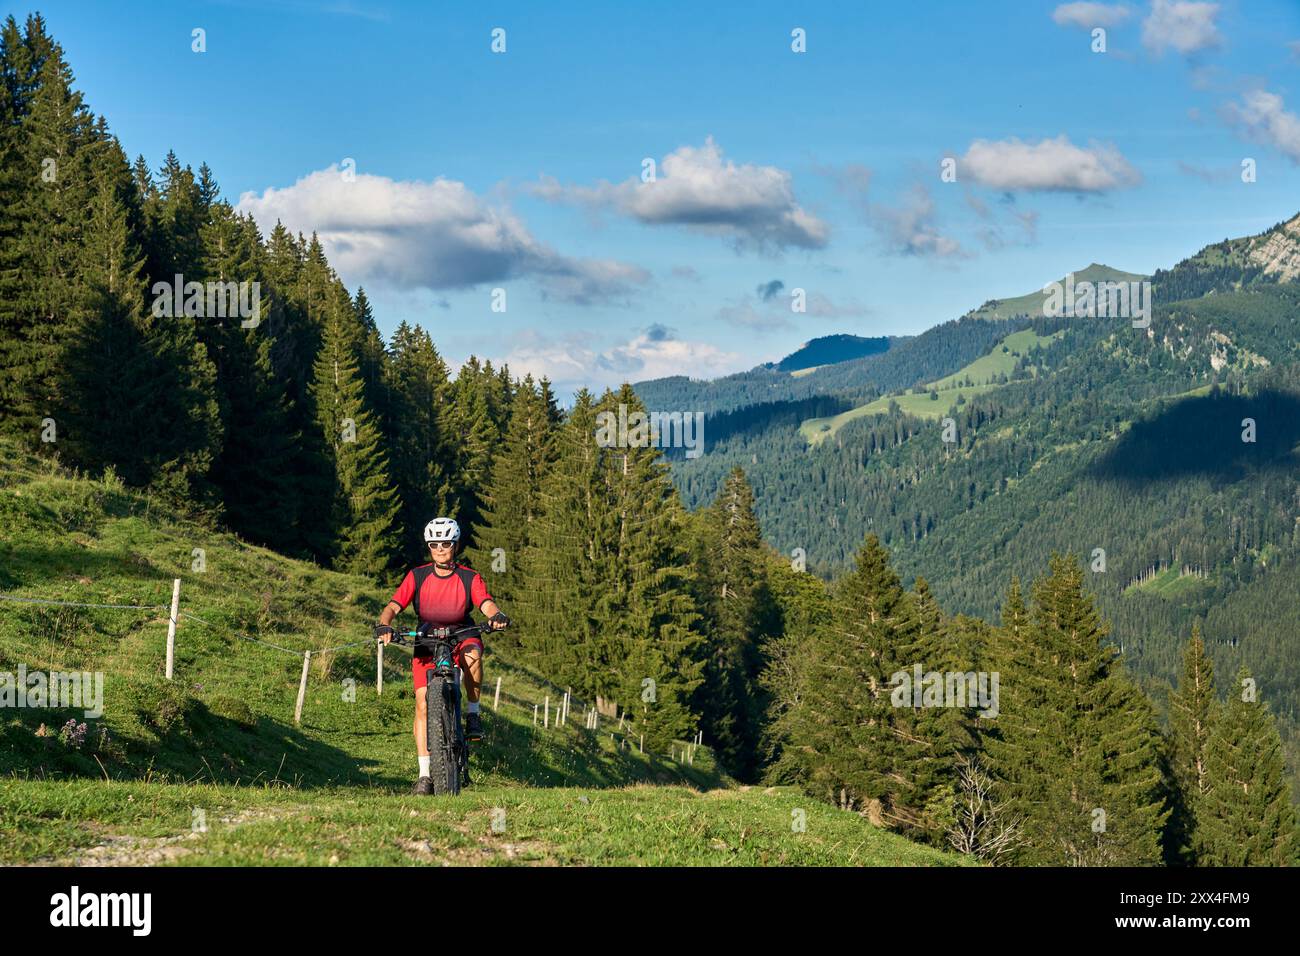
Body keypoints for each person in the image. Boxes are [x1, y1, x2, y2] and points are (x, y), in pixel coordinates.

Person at [373, 517, 509, 795]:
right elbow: (394, 605)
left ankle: (472, 713)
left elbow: (484, 602)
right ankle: (424, 775)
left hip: (462, 632)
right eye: (433, 544)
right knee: (423, 704)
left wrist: (495, 616)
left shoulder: (469, 577)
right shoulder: (417, 576)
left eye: (445, 544)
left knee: (473, 656)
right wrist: (384, 624)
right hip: (426, 637)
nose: (439, 549)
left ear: (455, 546)